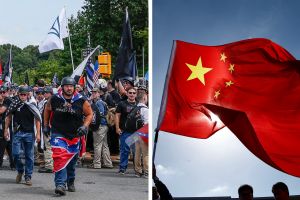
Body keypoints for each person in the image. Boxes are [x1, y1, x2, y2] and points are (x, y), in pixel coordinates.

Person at [43, 77, 92, 196]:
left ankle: (71, 180)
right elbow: (47, 110)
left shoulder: (81, 100)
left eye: (71, 86)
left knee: (71, 161)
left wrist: (84, 126)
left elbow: (90, 114)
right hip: (58, 132)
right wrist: (45, 125)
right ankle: (60, 184)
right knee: (59, 157)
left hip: (74, 135)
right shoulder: (55, 98)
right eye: (66, 86)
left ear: (74, 87)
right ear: (62, 87)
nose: (69, 88)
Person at [4, 85, 41, 186]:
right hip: (17, 133)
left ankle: (28, 176)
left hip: (29, 133)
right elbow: (8, 117)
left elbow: (38, 119)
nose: (23, 96)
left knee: (29, 156)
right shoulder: (14, 104)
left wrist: (38, 133)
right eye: (21, 94)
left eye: (25, 94)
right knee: (15, 154)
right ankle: (20, 170)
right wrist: (6, 130)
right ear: (18, 94)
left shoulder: (32, 104)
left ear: (28, 94)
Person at [115, 87, 137, 174]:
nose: (132, 94)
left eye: (133, 93)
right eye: (130, 93)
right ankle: (122, 168)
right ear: (127, 94)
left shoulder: (139, 105)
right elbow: (117, 116)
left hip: (136, 132)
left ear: (136, 94)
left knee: (136, 152)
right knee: (124, 151)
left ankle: (137, 169)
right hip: (125, 132)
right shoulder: (122, 104)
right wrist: (117, 127)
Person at [89, 88, 113, 169]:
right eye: (92, 92)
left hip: (100, 125)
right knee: (104, 145)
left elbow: (99, 115)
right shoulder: (100, 102)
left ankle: (97, 163)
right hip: (103, 125)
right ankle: (107, 163)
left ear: (99, 94)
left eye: (95, 92)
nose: (93, 94)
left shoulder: (99, 103)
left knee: (97, 145)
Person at [38, 86, 54, 173]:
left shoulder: (50, 102)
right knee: (49, 146)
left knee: (48, 146)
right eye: (44, 93)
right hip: (50, 127)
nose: (44, 94)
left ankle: (49, 166)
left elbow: (50, 116)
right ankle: (51, 164)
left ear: (51, 93)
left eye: (46, 92)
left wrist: (46, 126)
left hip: (49, 127)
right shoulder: (49, 101)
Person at [134, 92, 148, 178]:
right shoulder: (146, 110)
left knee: (137, 153)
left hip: (135, 133)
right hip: (144, 133)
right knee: (146, 153)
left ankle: (138, 171)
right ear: (144, 98)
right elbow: (147, 123)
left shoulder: (135, 108)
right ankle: (147, 171)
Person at [0, 86, 15, 170]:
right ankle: (13, 164)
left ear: (8, 92)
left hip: (7, 125)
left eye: (4, 92)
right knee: (8, 145)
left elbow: (1, 111)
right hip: (5, 124)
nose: (2, 94)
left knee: (3, 144)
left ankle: (3, 163)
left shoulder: (8, 100)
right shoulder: (5, 100)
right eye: (1, 92)